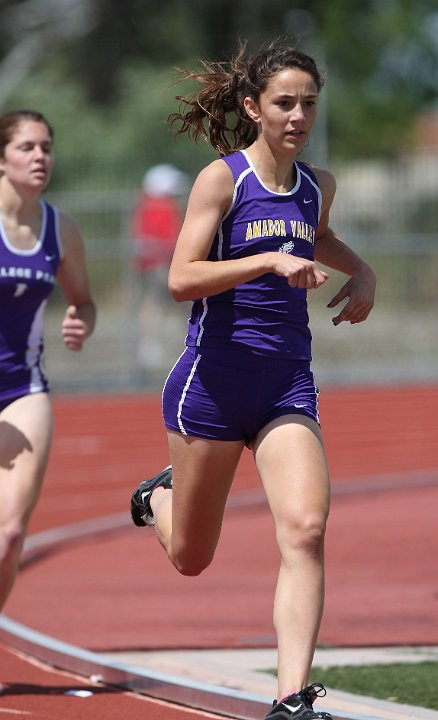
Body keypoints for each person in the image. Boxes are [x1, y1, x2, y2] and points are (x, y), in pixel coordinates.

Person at [130, 43, 376, 720]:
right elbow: (181, 278)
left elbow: (318, 235)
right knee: (190, 558)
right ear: (253, 108)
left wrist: (364, 269)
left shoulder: (316, 184)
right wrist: (264, 260)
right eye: (285, 103)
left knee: (306, 528)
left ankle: (290, 700)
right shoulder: (223, 181)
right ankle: (157, 501)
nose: (299, 116)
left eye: (309, 105)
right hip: (210, 385)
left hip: (284, 388)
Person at [0, 110, 96, 614]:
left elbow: (83, 300)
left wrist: (81, 320)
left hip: (22, 389)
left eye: (46, 147)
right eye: (26, 147)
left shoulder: (61, 229)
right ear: (1, 159)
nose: (40, 157)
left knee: (10, 533)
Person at [130, 163, 188, 370]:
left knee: (156, 304)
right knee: (157, 304)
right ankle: (155, 345)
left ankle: (154, 344)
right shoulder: (160, 206)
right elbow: (169, 236)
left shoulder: (146, 204)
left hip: (155, 264)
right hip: (161, 264)